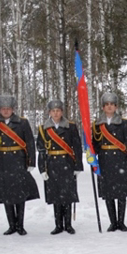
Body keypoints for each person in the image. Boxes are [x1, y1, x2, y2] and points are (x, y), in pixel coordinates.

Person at [0, 95, 40, 235]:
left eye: (8, 108)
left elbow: (30, 143)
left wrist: (31, 161)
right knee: (6, 194)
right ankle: (11, 225)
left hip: (18, 160)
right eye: (3, 109)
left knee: (19, 194)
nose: (6, 111)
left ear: (13, 109)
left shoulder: (22, 123)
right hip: (1, 162)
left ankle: (20, 225)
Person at [92, 92, 127, 231]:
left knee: (121, 193)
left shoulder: (123, 123)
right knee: (108, 193)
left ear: (116, 106)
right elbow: (94, 144)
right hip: (105, 160)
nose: (109, 107)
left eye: (112, 104)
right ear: (103, 107)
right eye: (107, 105)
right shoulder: (97, 124)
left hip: (119, 160)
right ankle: (113, 222)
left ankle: (121, 221)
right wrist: (92, 158)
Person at [37, 100, 83, 234]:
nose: (56, 113)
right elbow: (41, 150)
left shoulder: (71, 127)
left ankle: (68, 224)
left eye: (58, 110)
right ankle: (58, 225)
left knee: (67, 195)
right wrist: (42, 169)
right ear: (49, 113)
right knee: (56, 195)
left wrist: (78, 166)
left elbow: (77, 147)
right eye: (53, 111)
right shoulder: (43, 128)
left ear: (62, 112)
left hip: (67, 163)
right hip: (52, 165)